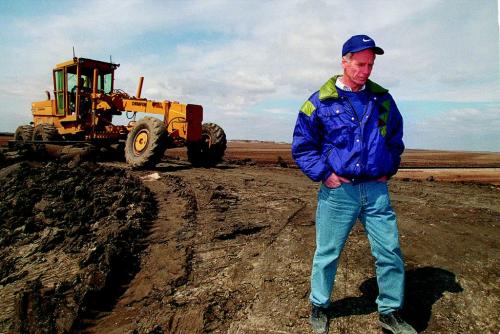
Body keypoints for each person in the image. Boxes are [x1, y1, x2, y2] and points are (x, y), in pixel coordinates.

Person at [291, 35, 417, 334]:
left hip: (376, 190)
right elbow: (303, 146)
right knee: (328, 253)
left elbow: (395, 138)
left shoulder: (382, 99)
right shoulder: (318, 101)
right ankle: (319, 305)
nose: (366, 70)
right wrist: (325, 174)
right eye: (360, 63)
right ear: (344, 61)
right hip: (339, 191)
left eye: (371, 64)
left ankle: (390, 311)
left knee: (389, 252)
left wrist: (390, 166)